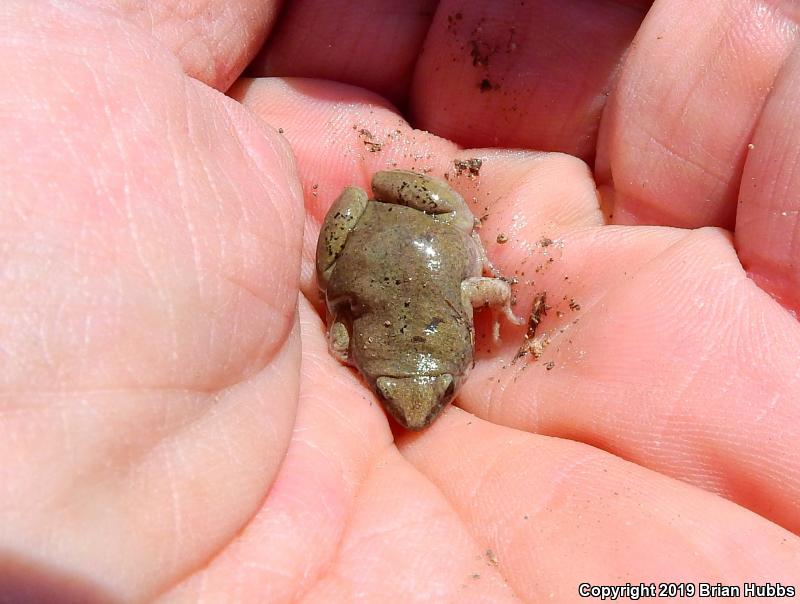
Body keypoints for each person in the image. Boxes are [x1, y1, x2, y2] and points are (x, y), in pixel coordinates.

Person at [1, 1, 798, 602]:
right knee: (450, 218)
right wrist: (502, 308)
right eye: (412, 393)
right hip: (403, 242)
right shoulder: (405, 338)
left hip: (392, 238)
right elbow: (474, 292)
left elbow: (367, 326)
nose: (419, 411)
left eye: (436, 391)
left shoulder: (375, 350)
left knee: (444, 215)